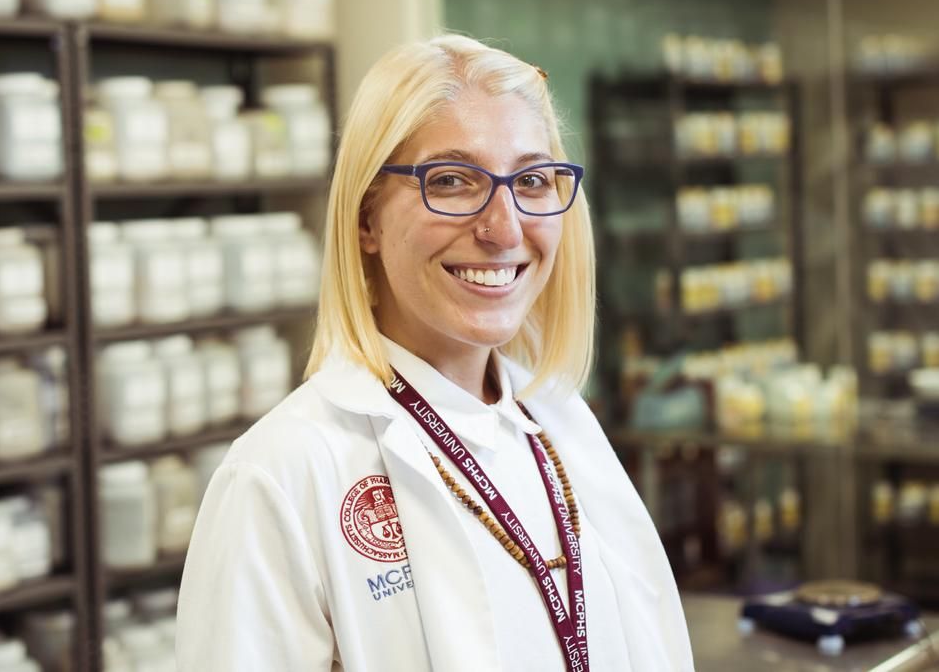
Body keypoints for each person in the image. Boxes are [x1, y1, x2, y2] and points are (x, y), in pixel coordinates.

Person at [176, 35, 694, 671]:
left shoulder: (562, 424)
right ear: (366, 219)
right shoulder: (282, 474)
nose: (504, 229)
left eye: (531, 180)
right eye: (451, 181)